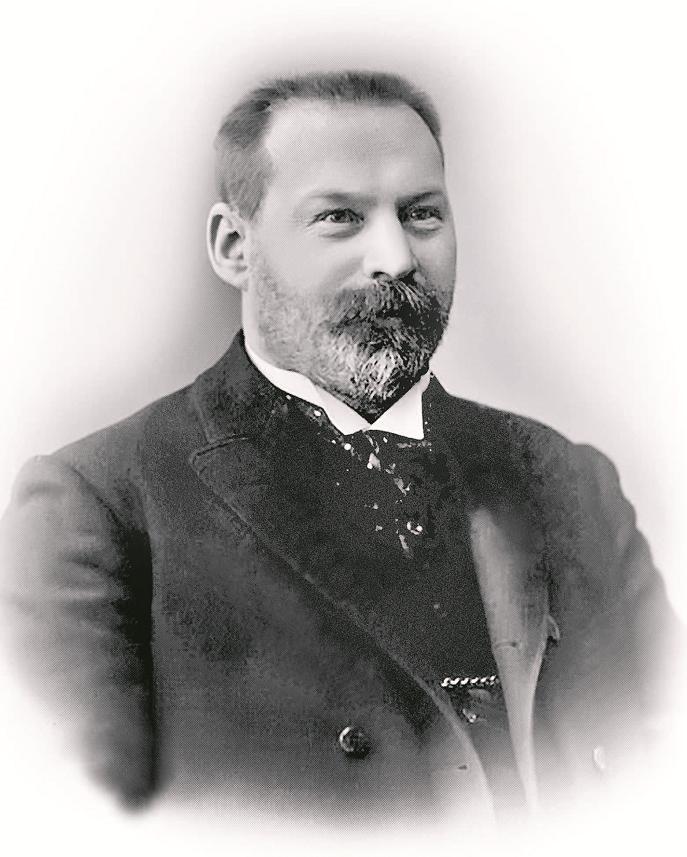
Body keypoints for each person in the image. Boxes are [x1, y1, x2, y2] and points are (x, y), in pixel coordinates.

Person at [0, 70, 678, 824]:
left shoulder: (569, 480)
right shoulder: (97, 504)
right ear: (234, 247)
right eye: (339, 218)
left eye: (421, 214)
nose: (396, 257)